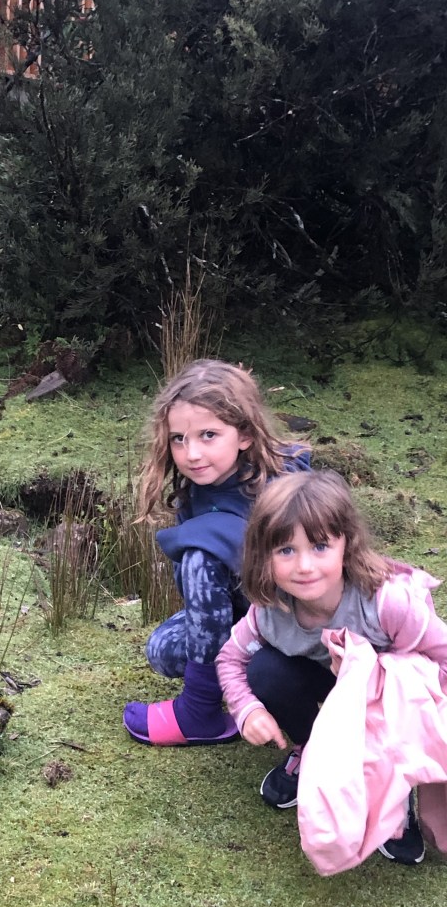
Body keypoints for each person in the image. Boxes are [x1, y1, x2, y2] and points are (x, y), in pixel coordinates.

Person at [216, 469, 447, 866]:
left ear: (346, 544)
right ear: (263, 555)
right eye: (286, 550)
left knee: (399, 688)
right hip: (330, 686)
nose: (304, 565)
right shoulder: (269, 611)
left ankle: (396, 798)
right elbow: (230, 659)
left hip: (391, 697)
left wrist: (420, 720)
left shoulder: (386, 603)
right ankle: (311, 752)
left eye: (320, 546)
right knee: (265, 672)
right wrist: (246, 709)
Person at [122, 358, 310, 746]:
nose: (191, 453)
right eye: (179, 438)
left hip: (296, 623)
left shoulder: (284, 489)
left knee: (200, 555)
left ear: (244, 435)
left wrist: (201, 543)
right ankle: (231, 682)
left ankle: (201, 709)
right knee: (163, 651)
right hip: (245, 618)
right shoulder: (199, 488)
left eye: (208, 435)